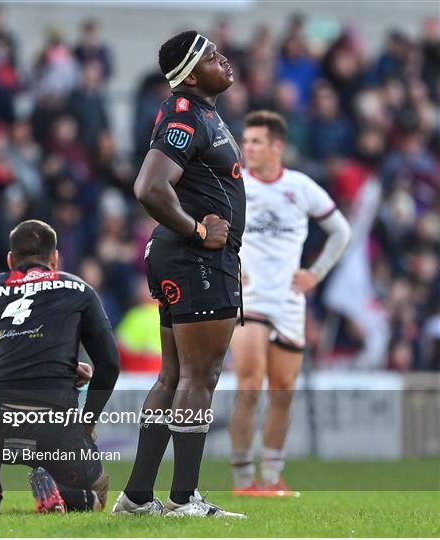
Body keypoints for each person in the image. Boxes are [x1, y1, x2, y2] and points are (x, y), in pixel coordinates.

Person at [112, 30, 245, 518]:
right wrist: (195, 231)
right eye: (211, 55)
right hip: (197, 259)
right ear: (189, 74)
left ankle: (137, 497)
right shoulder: (186, 114)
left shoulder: (201, 114)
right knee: (199, 376)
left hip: (188, 258)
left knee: (174, 376)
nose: (223, 58)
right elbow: (149, 186)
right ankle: (184, 499)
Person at [229, 111, 350, 496]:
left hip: (289, 301)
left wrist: (315, 273)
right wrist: (229, 268)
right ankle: (242, 479)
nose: (247, 147)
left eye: (256, 141)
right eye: (245, 141)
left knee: (283, 390)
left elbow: (340, 231)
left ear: (277, 146)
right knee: (249, 384)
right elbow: (207, 230)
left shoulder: (300, 187)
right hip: (250, 300)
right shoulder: (236, 185)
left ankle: (272, 476)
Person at [0, 220, 119, 513]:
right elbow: (109, 365)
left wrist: (56, 366)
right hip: (55, 427)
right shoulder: (78, 288)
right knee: (94, 495)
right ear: (55, 258)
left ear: (11, 260)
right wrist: (87, 423)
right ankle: (54, 485)